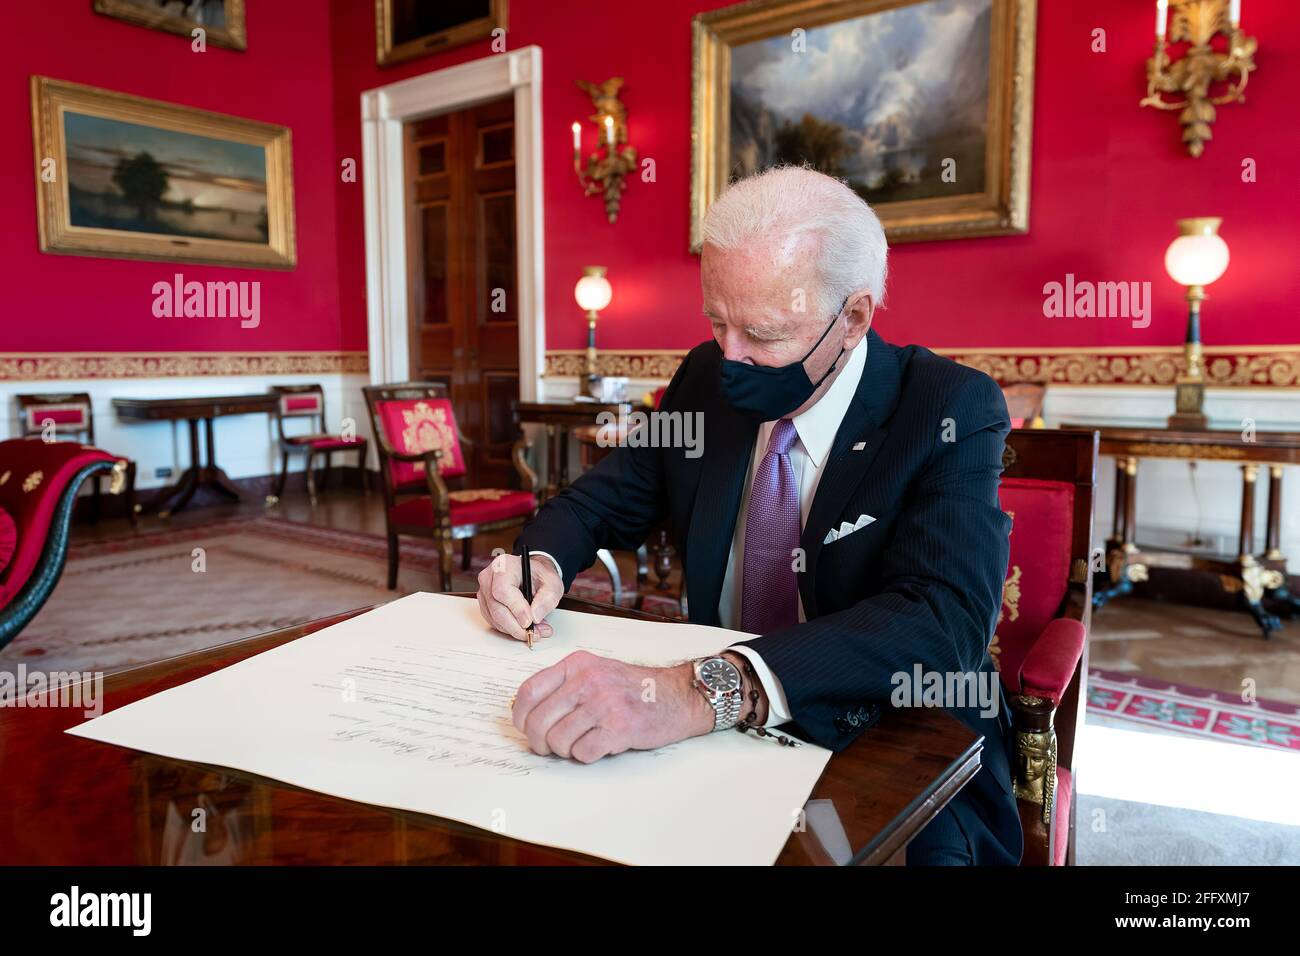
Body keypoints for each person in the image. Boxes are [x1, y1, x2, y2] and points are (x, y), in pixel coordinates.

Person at [475, 166, 1021, 865]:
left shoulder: (947, 407)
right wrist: (537, 562)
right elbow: (605, 498)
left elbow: (944, 622)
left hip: (889, 737)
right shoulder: (707, 379)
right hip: (709, 739)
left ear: (852, 318)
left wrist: (706, 690)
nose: (731, 357)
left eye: (762, 333)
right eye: (716, 321)